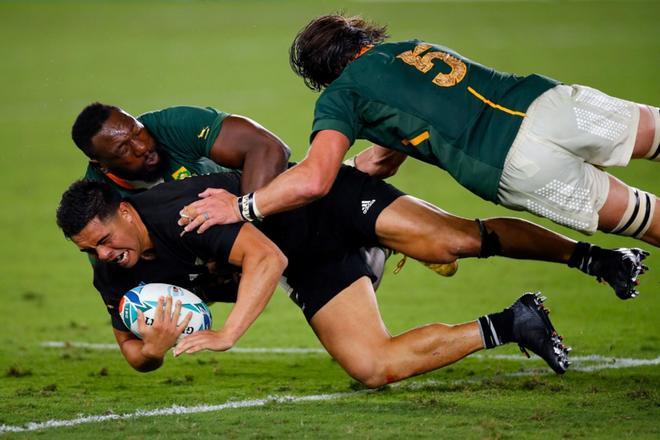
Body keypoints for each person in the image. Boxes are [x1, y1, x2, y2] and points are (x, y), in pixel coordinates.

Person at [56, 168, 647, 384]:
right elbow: (132, 350)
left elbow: (267, 259)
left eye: (106, 240)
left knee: (456, 239)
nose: (104, 255)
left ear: (126, 214)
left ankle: (594, 258)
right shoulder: (112, 272)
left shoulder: (179, 215)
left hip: (329, 205)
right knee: (371, 367)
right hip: (317, 263)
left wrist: (227, 332)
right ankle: (514, 323)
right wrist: (153, 350)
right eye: (91, 251)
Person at [180, 14, 659, 247]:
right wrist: (352, 173)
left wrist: (243, 205)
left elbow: (313, 179)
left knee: (646, 217)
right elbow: (385, 156)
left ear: (322, 75)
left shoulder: (341, 96)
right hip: (546, 104)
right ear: (361, 39)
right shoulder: (409, 49)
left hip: (512, 164)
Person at [70, 102, 451, 282]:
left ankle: (404, 130)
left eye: (137, 131)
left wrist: (246, 219)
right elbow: (112, 269)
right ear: (103, 166)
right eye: (124, 149)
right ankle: (378, 167)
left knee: (350, 187)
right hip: (219, 240)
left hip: (257, 199)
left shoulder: (170, 126)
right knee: (348, 186)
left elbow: (268, 149)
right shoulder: (98, 203)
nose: (142, 146)